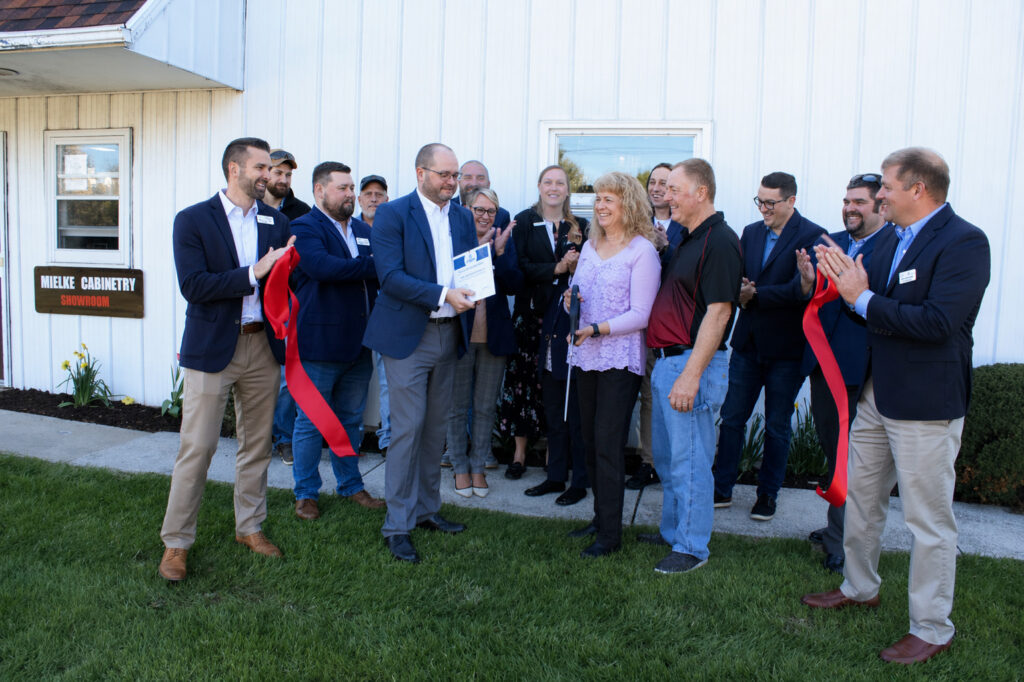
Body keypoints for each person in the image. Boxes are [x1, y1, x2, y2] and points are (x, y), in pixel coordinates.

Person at [802, 148, 990, 665]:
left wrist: (861, 298)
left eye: (885, 186)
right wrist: (843, 288)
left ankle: (931, 626)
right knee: (861, 501)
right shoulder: (892, 242)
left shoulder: (964, 242)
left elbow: (936, 323)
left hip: (926, 405)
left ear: (918, 190)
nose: (878, 194)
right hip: (876, 396)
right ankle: (859, 587)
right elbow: (875, 316)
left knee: (928, 521)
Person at [158, 137, 294, 582]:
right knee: (197, 447)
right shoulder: (193, 219)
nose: (268, 175)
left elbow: (287, 281)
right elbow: (194, 285)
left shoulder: (276, 220)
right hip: (212, 347)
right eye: (260, 167)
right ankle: (176, 543)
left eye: (270, 168)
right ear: (234, 169)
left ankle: (250, 527)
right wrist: (252, 273)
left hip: (263, 348)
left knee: (256, 446)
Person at [362, 143, 477, 564]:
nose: (451, 182)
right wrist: (445, 293)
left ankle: (427, 511)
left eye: (455, 175)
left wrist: (475, 287)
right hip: (409, 337)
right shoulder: (392, 214)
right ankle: (396, 525)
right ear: (420, 173)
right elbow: (390, 277)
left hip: (451, 332)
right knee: (408, 429)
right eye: (444, 175)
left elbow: (467, 268)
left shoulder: (462, 216)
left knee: (435, 431)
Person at [643, 159, 742, 574]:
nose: (667, 197)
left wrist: (690, 374)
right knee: (668, 459)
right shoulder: (686, 237)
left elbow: (718, 314)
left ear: (701, 192)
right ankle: (673, 532)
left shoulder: (720, 241)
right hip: (668, 362)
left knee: (691, 461)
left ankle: (691, 547)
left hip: (690, 364)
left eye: (675, 190)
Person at [712, 172, 825, 521]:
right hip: (747, 344)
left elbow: (801, 290)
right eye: (759, 201)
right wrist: (743, 288)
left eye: (770, 203)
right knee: (731, 419)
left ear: (791, 201)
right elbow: (741, 279)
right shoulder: (750, 232)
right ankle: (722, 487)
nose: (763, 208)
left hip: (788, 350)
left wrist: (755, 294)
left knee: (778, 425)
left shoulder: (814, 237)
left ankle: (768, 494)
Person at [563, 172, 661, 558]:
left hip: (620, 360)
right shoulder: (590, 245)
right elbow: (578, 295)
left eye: (609, 199)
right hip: (585, 355)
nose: (600, 206)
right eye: (598, 198)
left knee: (608, 443)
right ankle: (600, 518)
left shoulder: (642, 251)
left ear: (629, 204)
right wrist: (570, 304)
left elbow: (641, 314)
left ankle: (611, 535)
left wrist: (596, 328)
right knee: (589, 441)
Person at [797, 173, 891, 573]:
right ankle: (839, 525)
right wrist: (806, 280)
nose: (850, 208)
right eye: (846, 201)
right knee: (831, 445)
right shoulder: (827, 241)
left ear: (880, 206)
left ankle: (842, 544)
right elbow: (812, 296)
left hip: (858, 368)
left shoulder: (893, 246)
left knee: (848, 457)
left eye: (860, 202)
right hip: (822, 361)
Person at [288, 162, 386, 520]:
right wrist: (373, 265)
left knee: (350, 419)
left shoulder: (362, 229)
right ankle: (306, 493)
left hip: (360, 344)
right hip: (319, 343)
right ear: (319, 191)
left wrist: (373, 264)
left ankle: (351, 486)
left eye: (350, 188)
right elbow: (323, 268)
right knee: (311, 421)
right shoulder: (303, 227)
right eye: (342, 188)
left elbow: (372, 272)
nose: (349, 194)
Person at [500, 165, 587, 479]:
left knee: (558, 385)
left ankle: (555, 452)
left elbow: (589, 270)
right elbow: (518, 267)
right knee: (523, 383)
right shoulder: (523, 221)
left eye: (560, 183)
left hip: (563, 320)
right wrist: (557, 269)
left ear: (567, 189)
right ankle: (520, 453)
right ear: (539, 186)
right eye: (548, 182)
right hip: (530, 315)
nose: (554, 188)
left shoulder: (580, 225)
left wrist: (572, 270)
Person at [446, 188, 522, 496]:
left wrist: (500, 254)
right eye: (478, 209)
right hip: (460, 336)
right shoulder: (453, 240)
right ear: (466, 209)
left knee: (485, 407)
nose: (484, 216)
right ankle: (459, 468)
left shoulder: (503, 242)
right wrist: (477, 251)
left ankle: (478, 467)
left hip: (493, 337)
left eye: (490, 211)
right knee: (456, 406)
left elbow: (515, 284)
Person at [630, 162, 685, 491]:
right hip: (634, 323)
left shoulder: (686, 224)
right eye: (652, 181)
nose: (657, 188)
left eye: (665, 183)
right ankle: (647, 460)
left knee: (666, 397)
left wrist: (666, 247)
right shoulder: (637, 223)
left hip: (672, 327)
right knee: (643, 395)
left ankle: (665, 462)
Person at [265, 148, 311, 466]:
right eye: (277, 172)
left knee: (285, 377)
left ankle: (284, 438)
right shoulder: (248, 209)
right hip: (253, 304)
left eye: (288, 174)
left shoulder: (301, 212)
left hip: (290, 305)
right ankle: (256, 436)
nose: (283, 179)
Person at [357, 174, 392, 456]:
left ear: (387, 199)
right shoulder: (348, 227)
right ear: (359, 199)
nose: (373, 198)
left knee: (387, 379)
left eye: (379, 194)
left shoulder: (393, 228)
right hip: (353, 313)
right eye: (368, 193)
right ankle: (349, 439)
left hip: (386, 313)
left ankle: (388, 439)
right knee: (352, 379)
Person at [452, 160, 511, 229]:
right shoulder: (445, 209)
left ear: (488, 184)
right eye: (468, 178)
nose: (474, 183)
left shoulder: (502, 216)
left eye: (480, 178)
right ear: (459, 182)